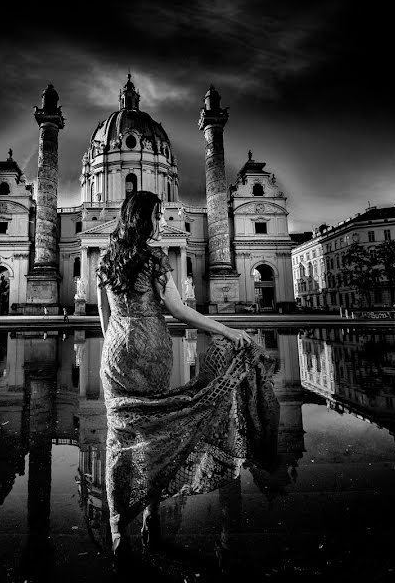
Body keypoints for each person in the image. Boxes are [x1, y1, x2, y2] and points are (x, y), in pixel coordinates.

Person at [96, 191, 274, 564]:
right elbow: (179, 311)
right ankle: (152, 516)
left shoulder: (106, 259)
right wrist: (227, 331)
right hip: (152, 349)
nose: (162, 222)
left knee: (119, 436)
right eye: (158, 216)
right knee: (158, 430)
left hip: (114, 352)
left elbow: (104, 318)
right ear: (146, 219)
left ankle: (115, 529)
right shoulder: (154, 258)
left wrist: (115, 344)